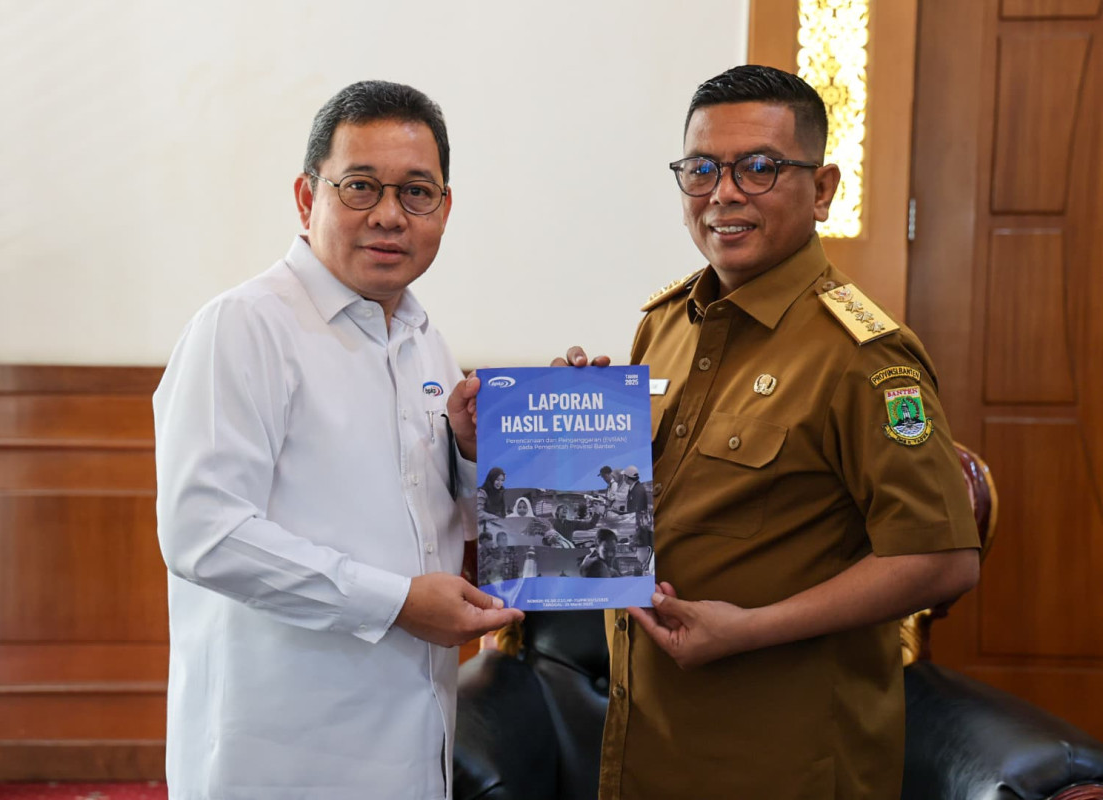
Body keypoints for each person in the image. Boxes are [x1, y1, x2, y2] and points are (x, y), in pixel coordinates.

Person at [554, 65, 981, 799]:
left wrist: (750, 628)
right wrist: (561, 435)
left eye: (758, 168)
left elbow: (942, 559)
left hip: (785, 759)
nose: (724, 193)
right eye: (701, 169)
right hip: (651, 745)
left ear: (821, 189)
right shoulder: (663, 326)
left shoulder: (864, 354)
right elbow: (624, 517)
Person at [153, 80, 522, 800]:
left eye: (416, 192)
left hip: (414, 738)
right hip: (286, 747)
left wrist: (478, 455)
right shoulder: (246, 327)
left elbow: (439, 520)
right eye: (360, 186)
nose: (389, 214)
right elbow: (201, 531)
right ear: (305, 197)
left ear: (444, 209)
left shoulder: (424, 341)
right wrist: (393, 602)